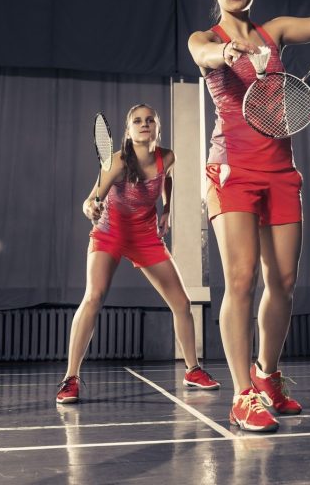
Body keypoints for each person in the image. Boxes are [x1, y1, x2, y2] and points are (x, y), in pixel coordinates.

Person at [188, 0, 310, 431]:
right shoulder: (205, 38)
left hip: (281, 170)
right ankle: (243, 395)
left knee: (283, 281)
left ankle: (267, 376)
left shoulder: (275, 31)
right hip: (232, 171)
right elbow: (202, 54)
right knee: (241, 280)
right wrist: (222, 55)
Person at [56, 104, 219, 403]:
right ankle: (71, 378)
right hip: (110, 233)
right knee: (93, 297)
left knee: (182, 302)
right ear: (128, 131)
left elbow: (167, 179)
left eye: (150, 120)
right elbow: (90, 200)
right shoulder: (117, 162)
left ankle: (192, 370)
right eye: (137, 121)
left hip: (146, 236)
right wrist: (92, 207)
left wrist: (167, 211)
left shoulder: (167, 157)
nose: (144, 124)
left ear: (158, 128)